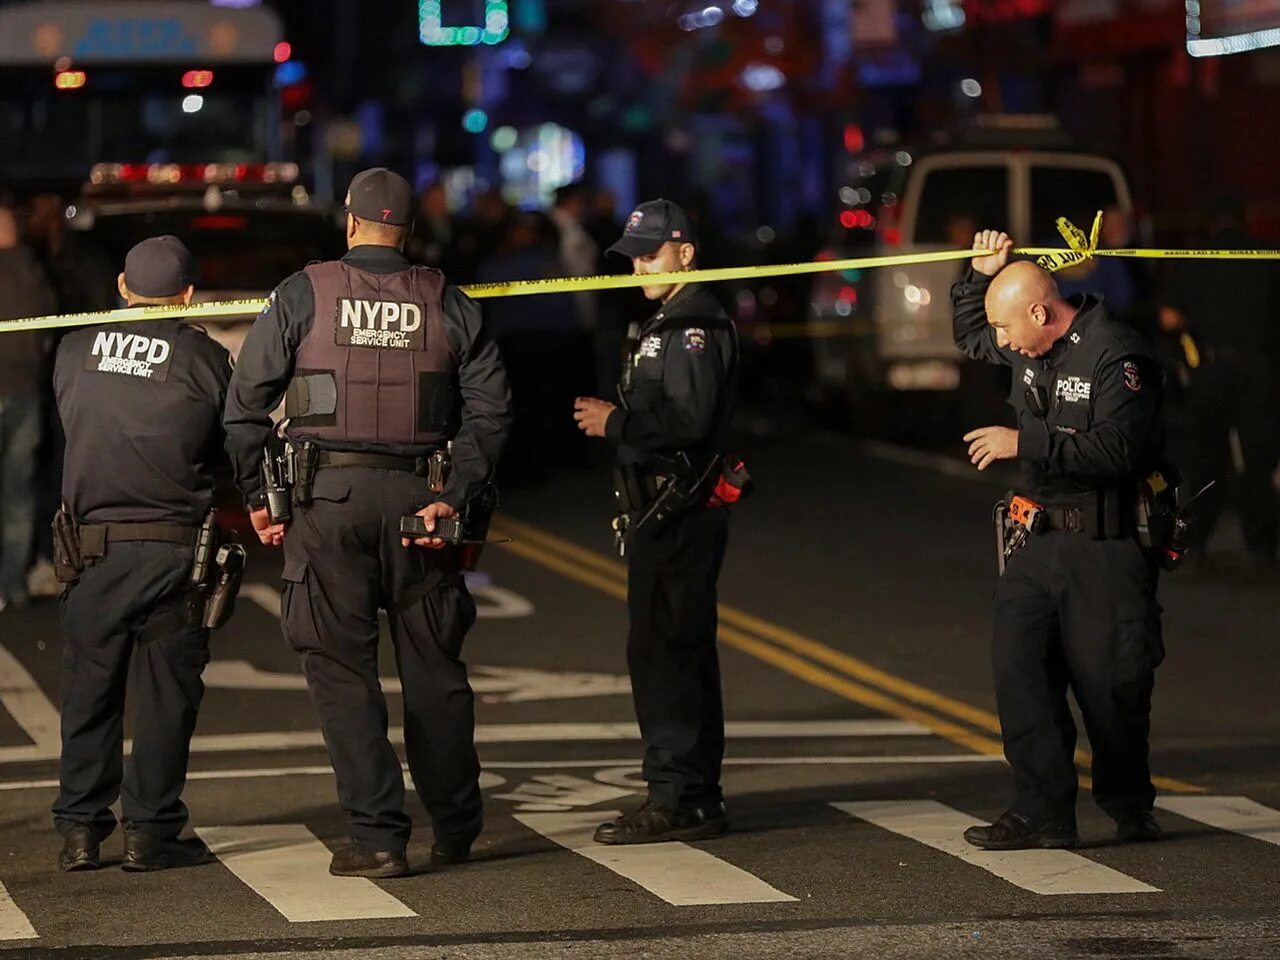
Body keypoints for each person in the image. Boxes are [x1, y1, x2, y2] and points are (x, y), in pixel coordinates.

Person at [224, 167, 511, 878]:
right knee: (434, 669)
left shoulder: (303, 293)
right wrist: (461, 492)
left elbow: (244, 407)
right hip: (423, 503)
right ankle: (455, 826)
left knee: (342, 672)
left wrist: (262, 495)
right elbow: (494, 413)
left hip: (330, 505)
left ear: (349, 222)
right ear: (408, 230)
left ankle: (379, 835)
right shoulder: (448, 300)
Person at [954, 229, 1168, 850]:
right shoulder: (1027, 345)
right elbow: (971, 334)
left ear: (1040, 313)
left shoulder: (1116, 354)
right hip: (1040, 536)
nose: (999, 343)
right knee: (1019, 669)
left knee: (1111, 684)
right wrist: (979, 274)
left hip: (1106, 540)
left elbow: (1118, 449)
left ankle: (1130, 803)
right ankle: (1042, 808)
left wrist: (1025, 442)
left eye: (1006, 327)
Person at [52, 236, 231, 872]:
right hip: (173, 553)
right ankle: (150, 832)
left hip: (92, 550)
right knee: (165, 696)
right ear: (186, 294)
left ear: (123, 289)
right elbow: (228, 446)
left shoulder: (73, 350)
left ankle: (79, 829)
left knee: (89, 692)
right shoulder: (205, 358)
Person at [573, 199, 739, 844]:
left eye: (651, 252)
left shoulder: (693, 325)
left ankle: (679, 797)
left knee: (667, 653)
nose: (640, 263)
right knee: (673, 650)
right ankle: (691, 793)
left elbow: (689, 424)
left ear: (685, 252)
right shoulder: (669, 318)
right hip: (660, 507)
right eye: (634, 254)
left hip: (679, 509)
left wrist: (615, 423)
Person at [1160, 193, 1280, 570]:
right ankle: (1262, 546)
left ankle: (1196, 543)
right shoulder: (1267, 258)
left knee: (1208, 459)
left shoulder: (1196, 259)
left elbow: (1168, 318)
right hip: (1261, 371)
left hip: (1210, 371)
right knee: (1260, 461)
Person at [0, 204, 56, 613]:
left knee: (17, 493)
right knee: (17, 493)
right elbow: (47, 333)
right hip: (24, 393)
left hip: (19, 394)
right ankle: (12, 586)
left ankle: (12, 585)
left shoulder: (28, 271)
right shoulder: (33, 273)